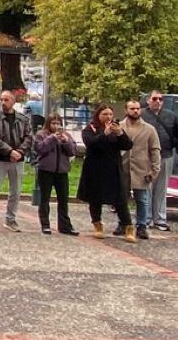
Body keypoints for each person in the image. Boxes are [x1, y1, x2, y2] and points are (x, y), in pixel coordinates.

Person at [78, 103, 133, 241]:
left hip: (113, 168)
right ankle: (97, 225)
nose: (108, 117)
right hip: (95, 169)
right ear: (98, 115)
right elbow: (91, 144)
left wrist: (120, 133)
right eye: (105, 114)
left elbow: (127, 145)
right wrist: (104, 134)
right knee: (95, 199)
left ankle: (128, 227)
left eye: (110, 114)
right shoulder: (90, 129)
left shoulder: (116, 128)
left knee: (120, 200)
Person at [0, 90, 33, 231]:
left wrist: (20, 152)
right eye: (2, 100)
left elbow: (29, 137)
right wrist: (9, 151)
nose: (4, 103)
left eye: (7, 100)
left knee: (16, 191)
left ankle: (11, 219)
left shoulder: (23, 119)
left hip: (17, 160)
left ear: (13, 101)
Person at [120, 98, 161, 240]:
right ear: (126, 110)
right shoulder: (119, 127)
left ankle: (142, 226)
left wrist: (155, 170)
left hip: (142, 169)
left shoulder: (149, 129)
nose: (136, 111)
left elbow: (155, 150)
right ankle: (123, 223)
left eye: (137, 108)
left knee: (142, 199)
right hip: (123, 168)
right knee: (121, 198)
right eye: (132, 108)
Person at [33, 114, 79, 236]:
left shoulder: (66, 135)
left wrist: (65, 142)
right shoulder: (41, 134)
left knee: (63, 199)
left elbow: (73, 151)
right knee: (45, 199)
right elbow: (40, 148)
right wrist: (52, 139)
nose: (56, 126)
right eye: (53, 123)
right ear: (48, 124)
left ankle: (65, 226)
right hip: (46, 170)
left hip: (62, 171)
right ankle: (45, 224)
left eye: (58, 123)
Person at [143, 90, 177, 231]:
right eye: (155, 98)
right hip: (146, 156)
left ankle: (160, 219)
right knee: (147, 187)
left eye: (160, 99)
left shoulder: (171, 116)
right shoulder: (142, 115)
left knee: (161, 189)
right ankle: (146, 218)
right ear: (148, 100)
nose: (158, 101)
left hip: (166, 154)